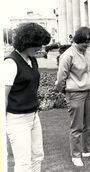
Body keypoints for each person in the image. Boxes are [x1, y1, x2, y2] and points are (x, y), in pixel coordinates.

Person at [4, 22, 51, 172]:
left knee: (37, 156)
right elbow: (3, 97)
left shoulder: (32, 59)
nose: (40, 48)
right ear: (27, 42)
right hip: (17, 120)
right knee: (23, 164)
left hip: (33, 117)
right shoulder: (11, 63)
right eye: (38, 44)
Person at [56, 27, 90, 167]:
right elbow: (60, 79)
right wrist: (67, 91)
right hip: (74, 94)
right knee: (76, 127)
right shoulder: (68, 55)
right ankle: (76, 155)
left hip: (88, 93)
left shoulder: (87, 53)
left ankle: (88, 151)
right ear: (77, 40)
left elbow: (88, 72)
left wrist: (89, 84)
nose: (88, 45)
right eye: (85, 42)